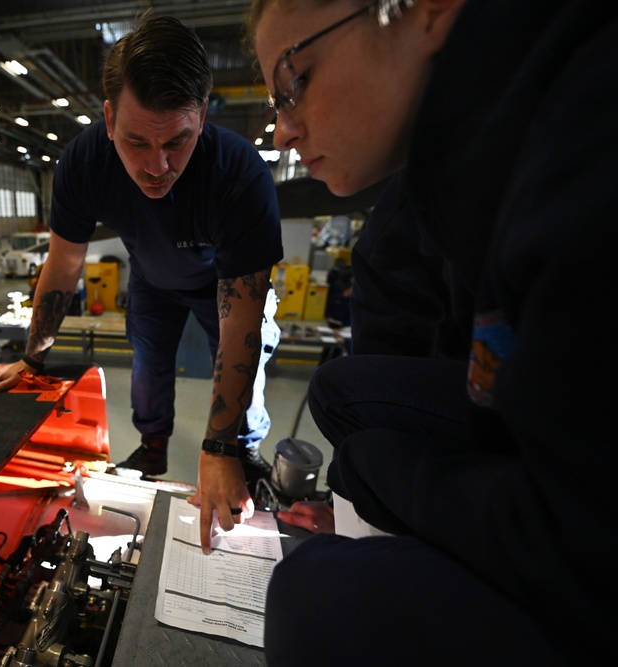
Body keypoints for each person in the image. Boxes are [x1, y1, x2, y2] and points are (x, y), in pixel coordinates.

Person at [249, 0, 618, 664]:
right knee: (340, 391)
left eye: (293, 82)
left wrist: (382, 470)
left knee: (316, 602)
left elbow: (584, 539)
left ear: (427, 9)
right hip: (556, 455)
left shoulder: (586, 139)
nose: (280, 132)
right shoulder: (482, 153)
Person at [0, 14, 284, 554]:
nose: (157, 166)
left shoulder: (239, 175)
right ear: (109, 118)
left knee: (245, 381)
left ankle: (244, 453)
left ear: (202, 117)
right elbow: (63, 266)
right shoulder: (84, 164)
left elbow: (242, 322)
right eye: (136, 141)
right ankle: (152, 446)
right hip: (154, 283)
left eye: (177, 142)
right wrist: (33, 358)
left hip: (223, 288)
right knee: (147, 367)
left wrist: (218, 446)